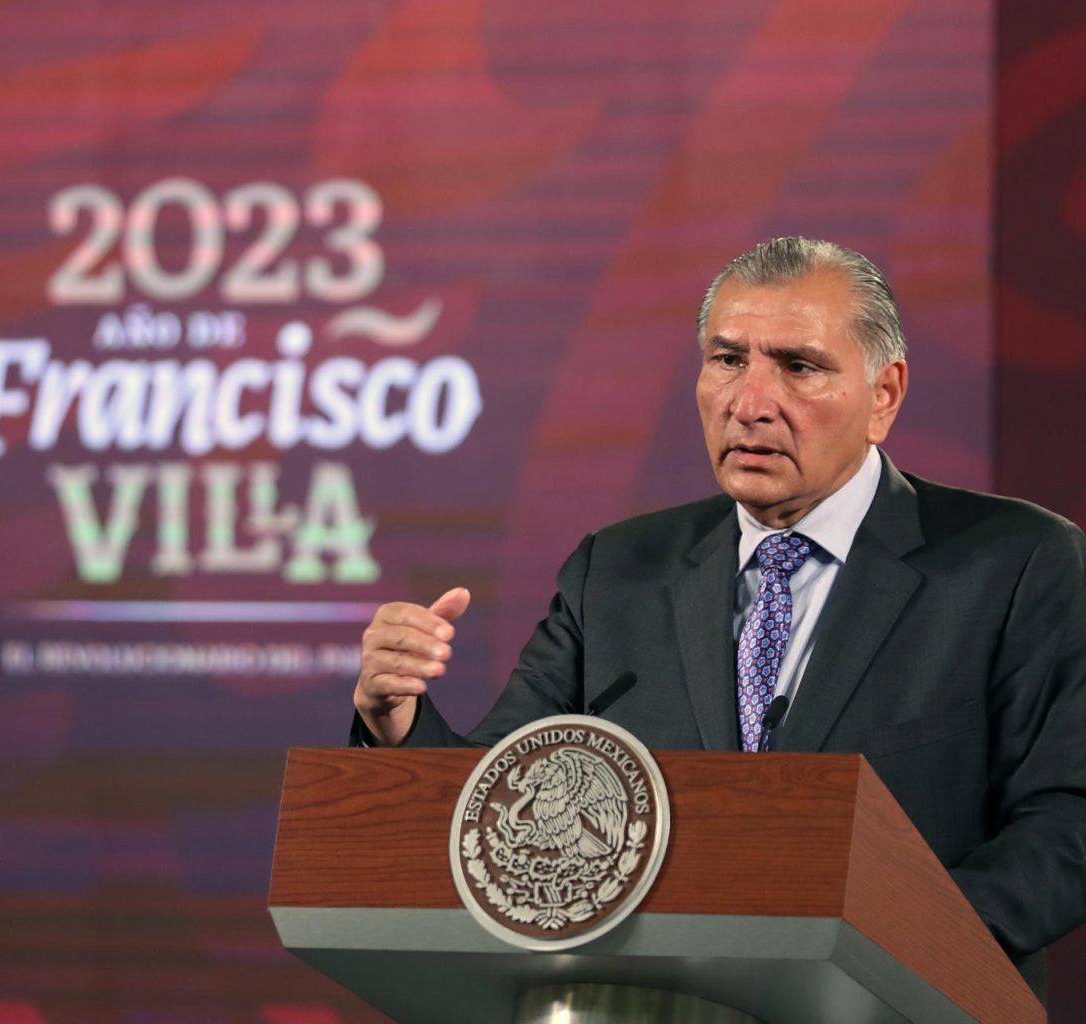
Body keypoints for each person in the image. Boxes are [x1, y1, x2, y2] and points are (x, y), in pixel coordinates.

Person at [351, 237, 1086, 997]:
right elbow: (501, 809)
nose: (750, 402)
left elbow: (1069, 819)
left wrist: (885, 951)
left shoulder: (1016, 563)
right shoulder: (618, 573)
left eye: (798, 366)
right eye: (727, 359)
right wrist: (396, 721)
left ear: (885, 395)